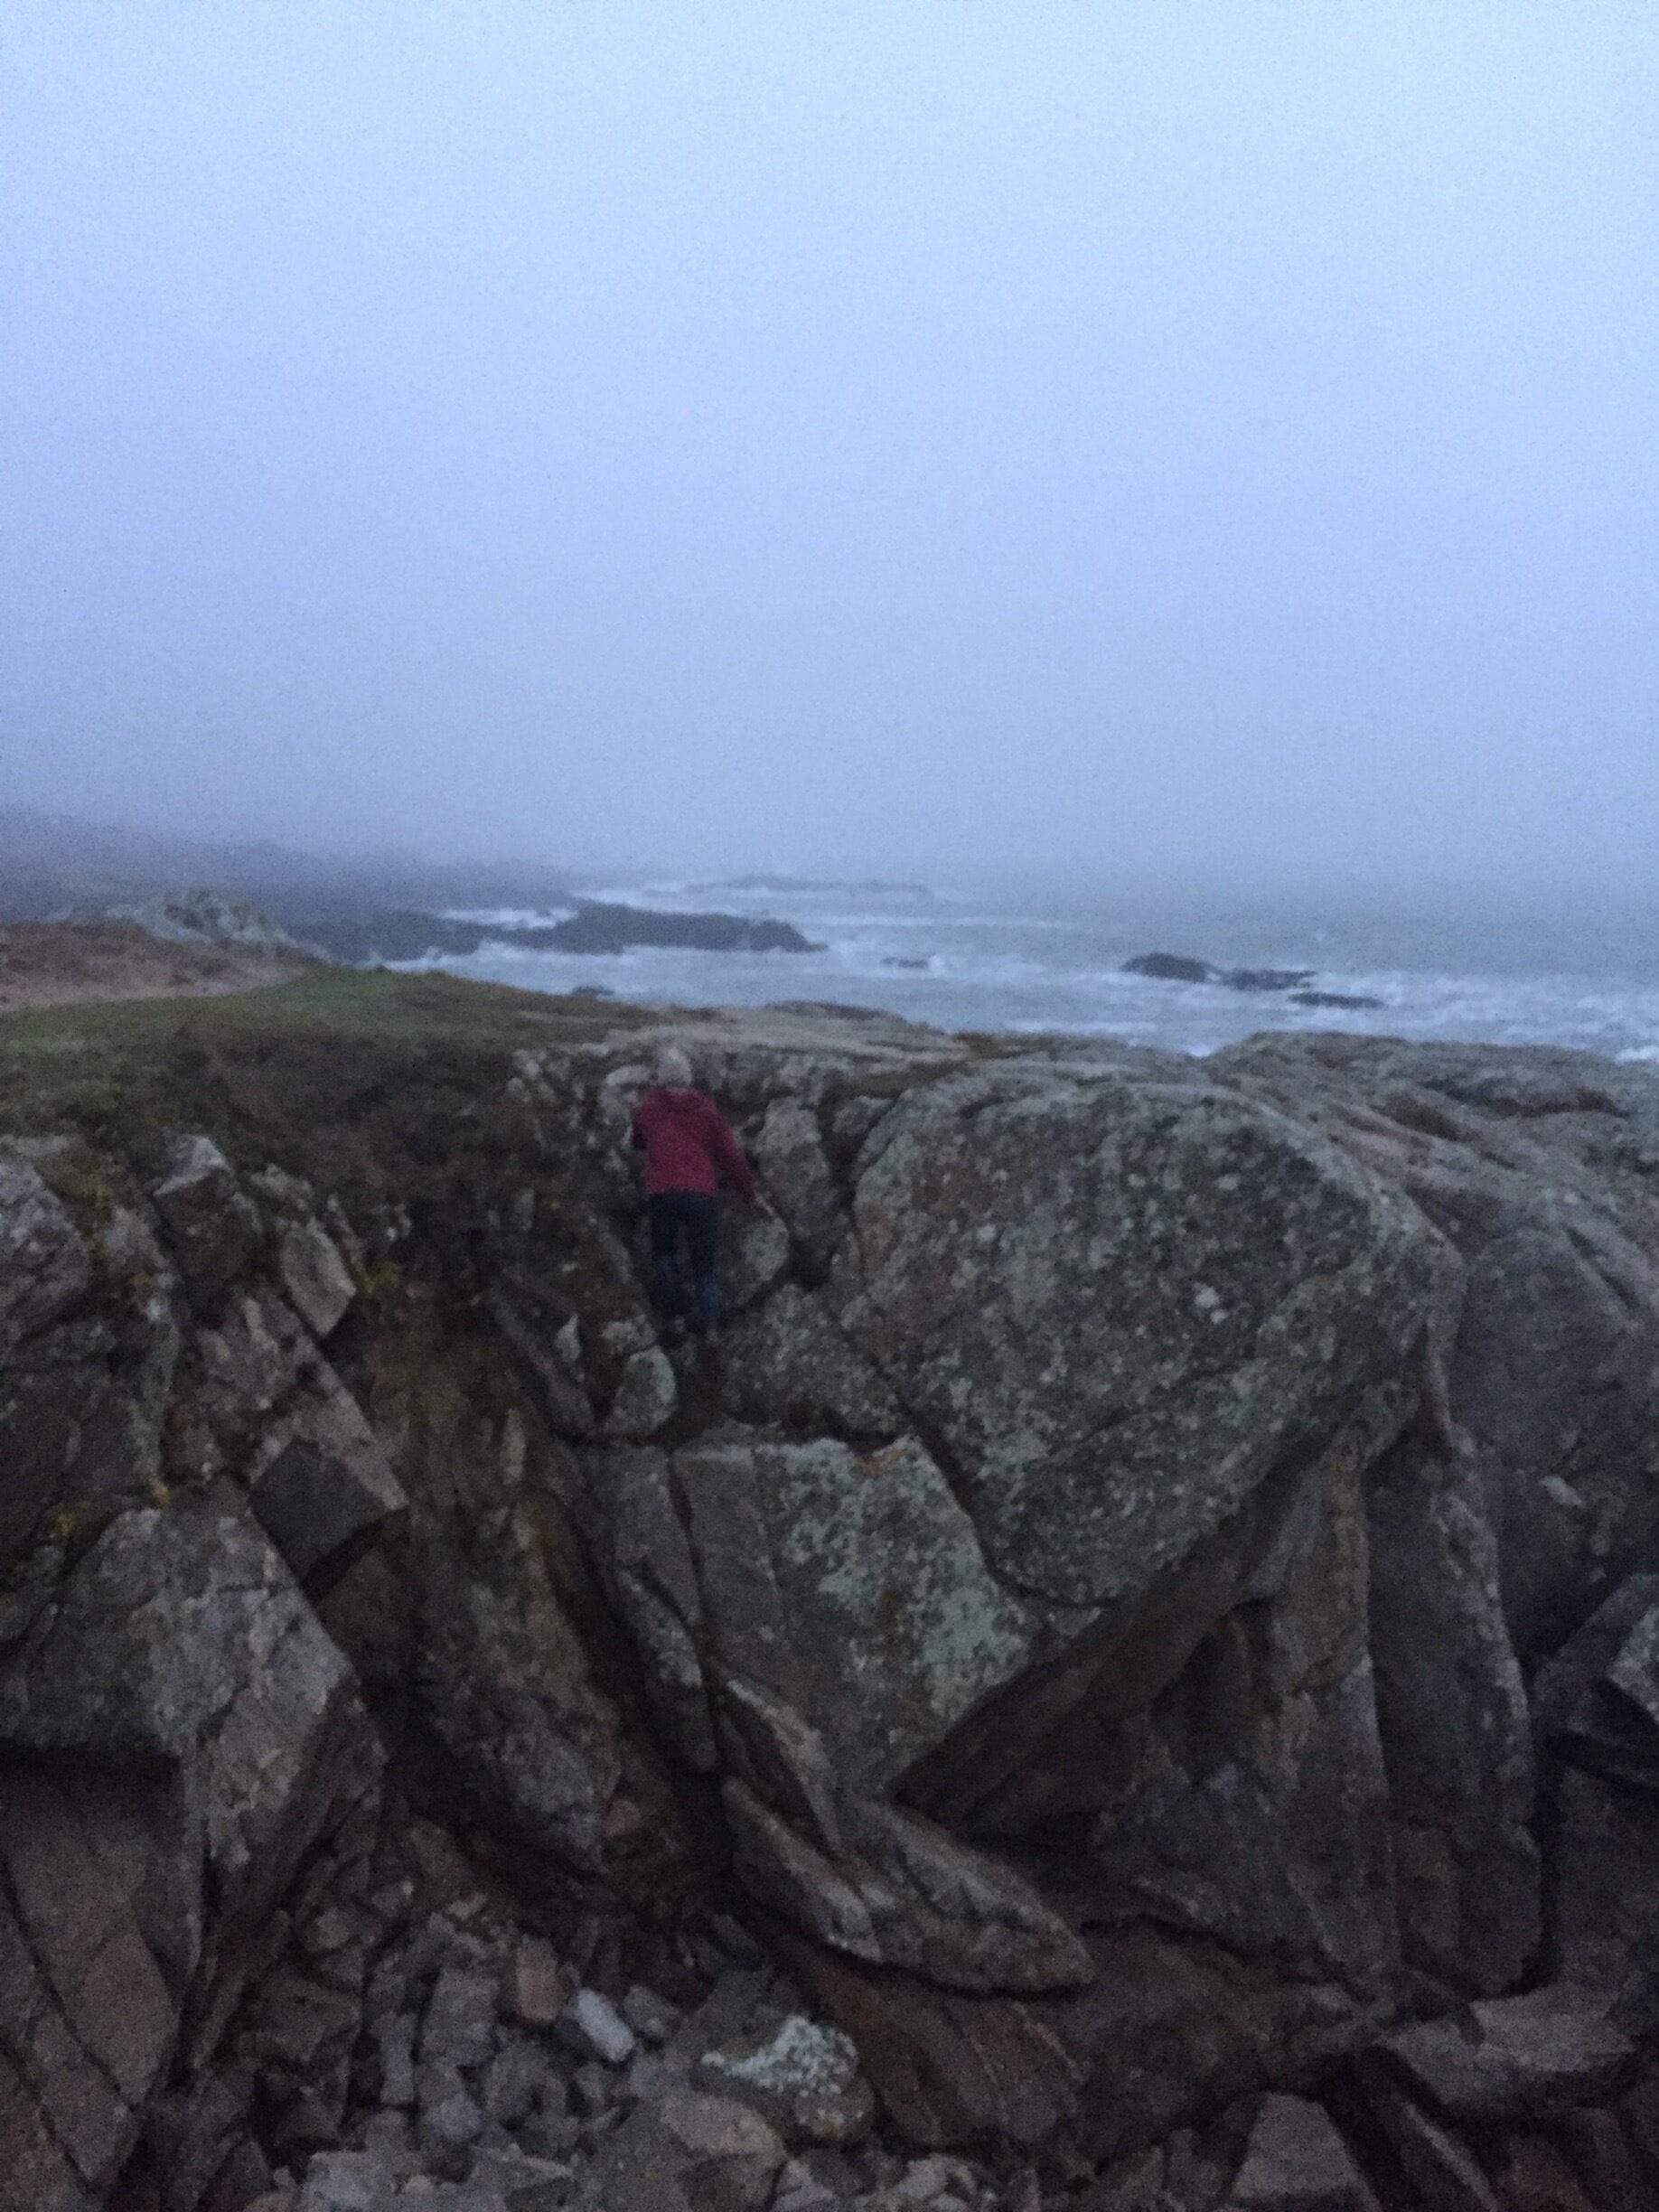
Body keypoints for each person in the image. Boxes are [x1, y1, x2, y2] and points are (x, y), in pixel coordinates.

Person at [631, 1046, 769, 1340]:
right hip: (701, 1194)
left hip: (663, 1192)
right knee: (704, 1265)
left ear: (661, 1079)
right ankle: (710, 1327)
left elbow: (638, 1140)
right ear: (689, 1078)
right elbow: (731, 1157)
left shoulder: (650, 1107)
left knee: (664, 1254)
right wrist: (750, 1195)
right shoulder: (707, 1110)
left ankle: (676, 1317)